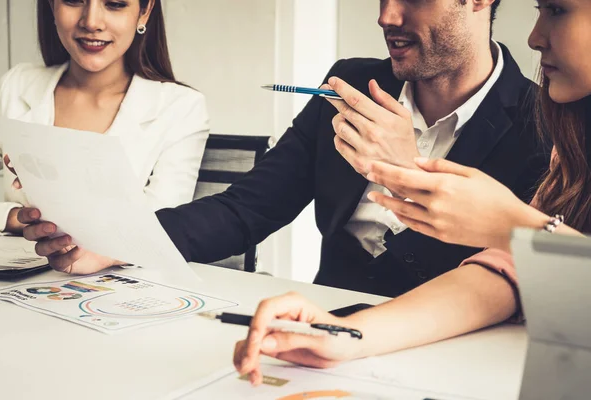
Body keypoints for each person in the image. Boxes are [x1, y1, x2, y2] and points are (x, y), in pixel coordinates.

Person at [19, 0, 548, 297]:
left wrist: (403, 170)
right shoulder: (347, 84)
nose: (387, 16)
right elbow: (247, 208)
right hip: (314, 322)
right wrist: (118, 243)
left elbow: (511, 281)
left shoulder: (545, 125)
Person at [230, 0, 591, 386]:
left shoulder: (536, 123)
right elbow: (501, 277)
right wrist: (347, 336)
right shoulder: (572, 148)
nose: (534, 38)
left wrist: (518, 225)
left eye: (556, 10)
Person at [0, 0, 209, 238]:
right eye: (74, 0)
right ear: (52, 6)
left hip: (118, 274)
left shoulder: (181, 107)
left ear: (144, 12)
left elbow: (157, 233)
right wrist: (11, 217)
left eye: (115, 4)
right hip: (14, 272)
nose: (91, 22)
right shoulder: (16, 86)